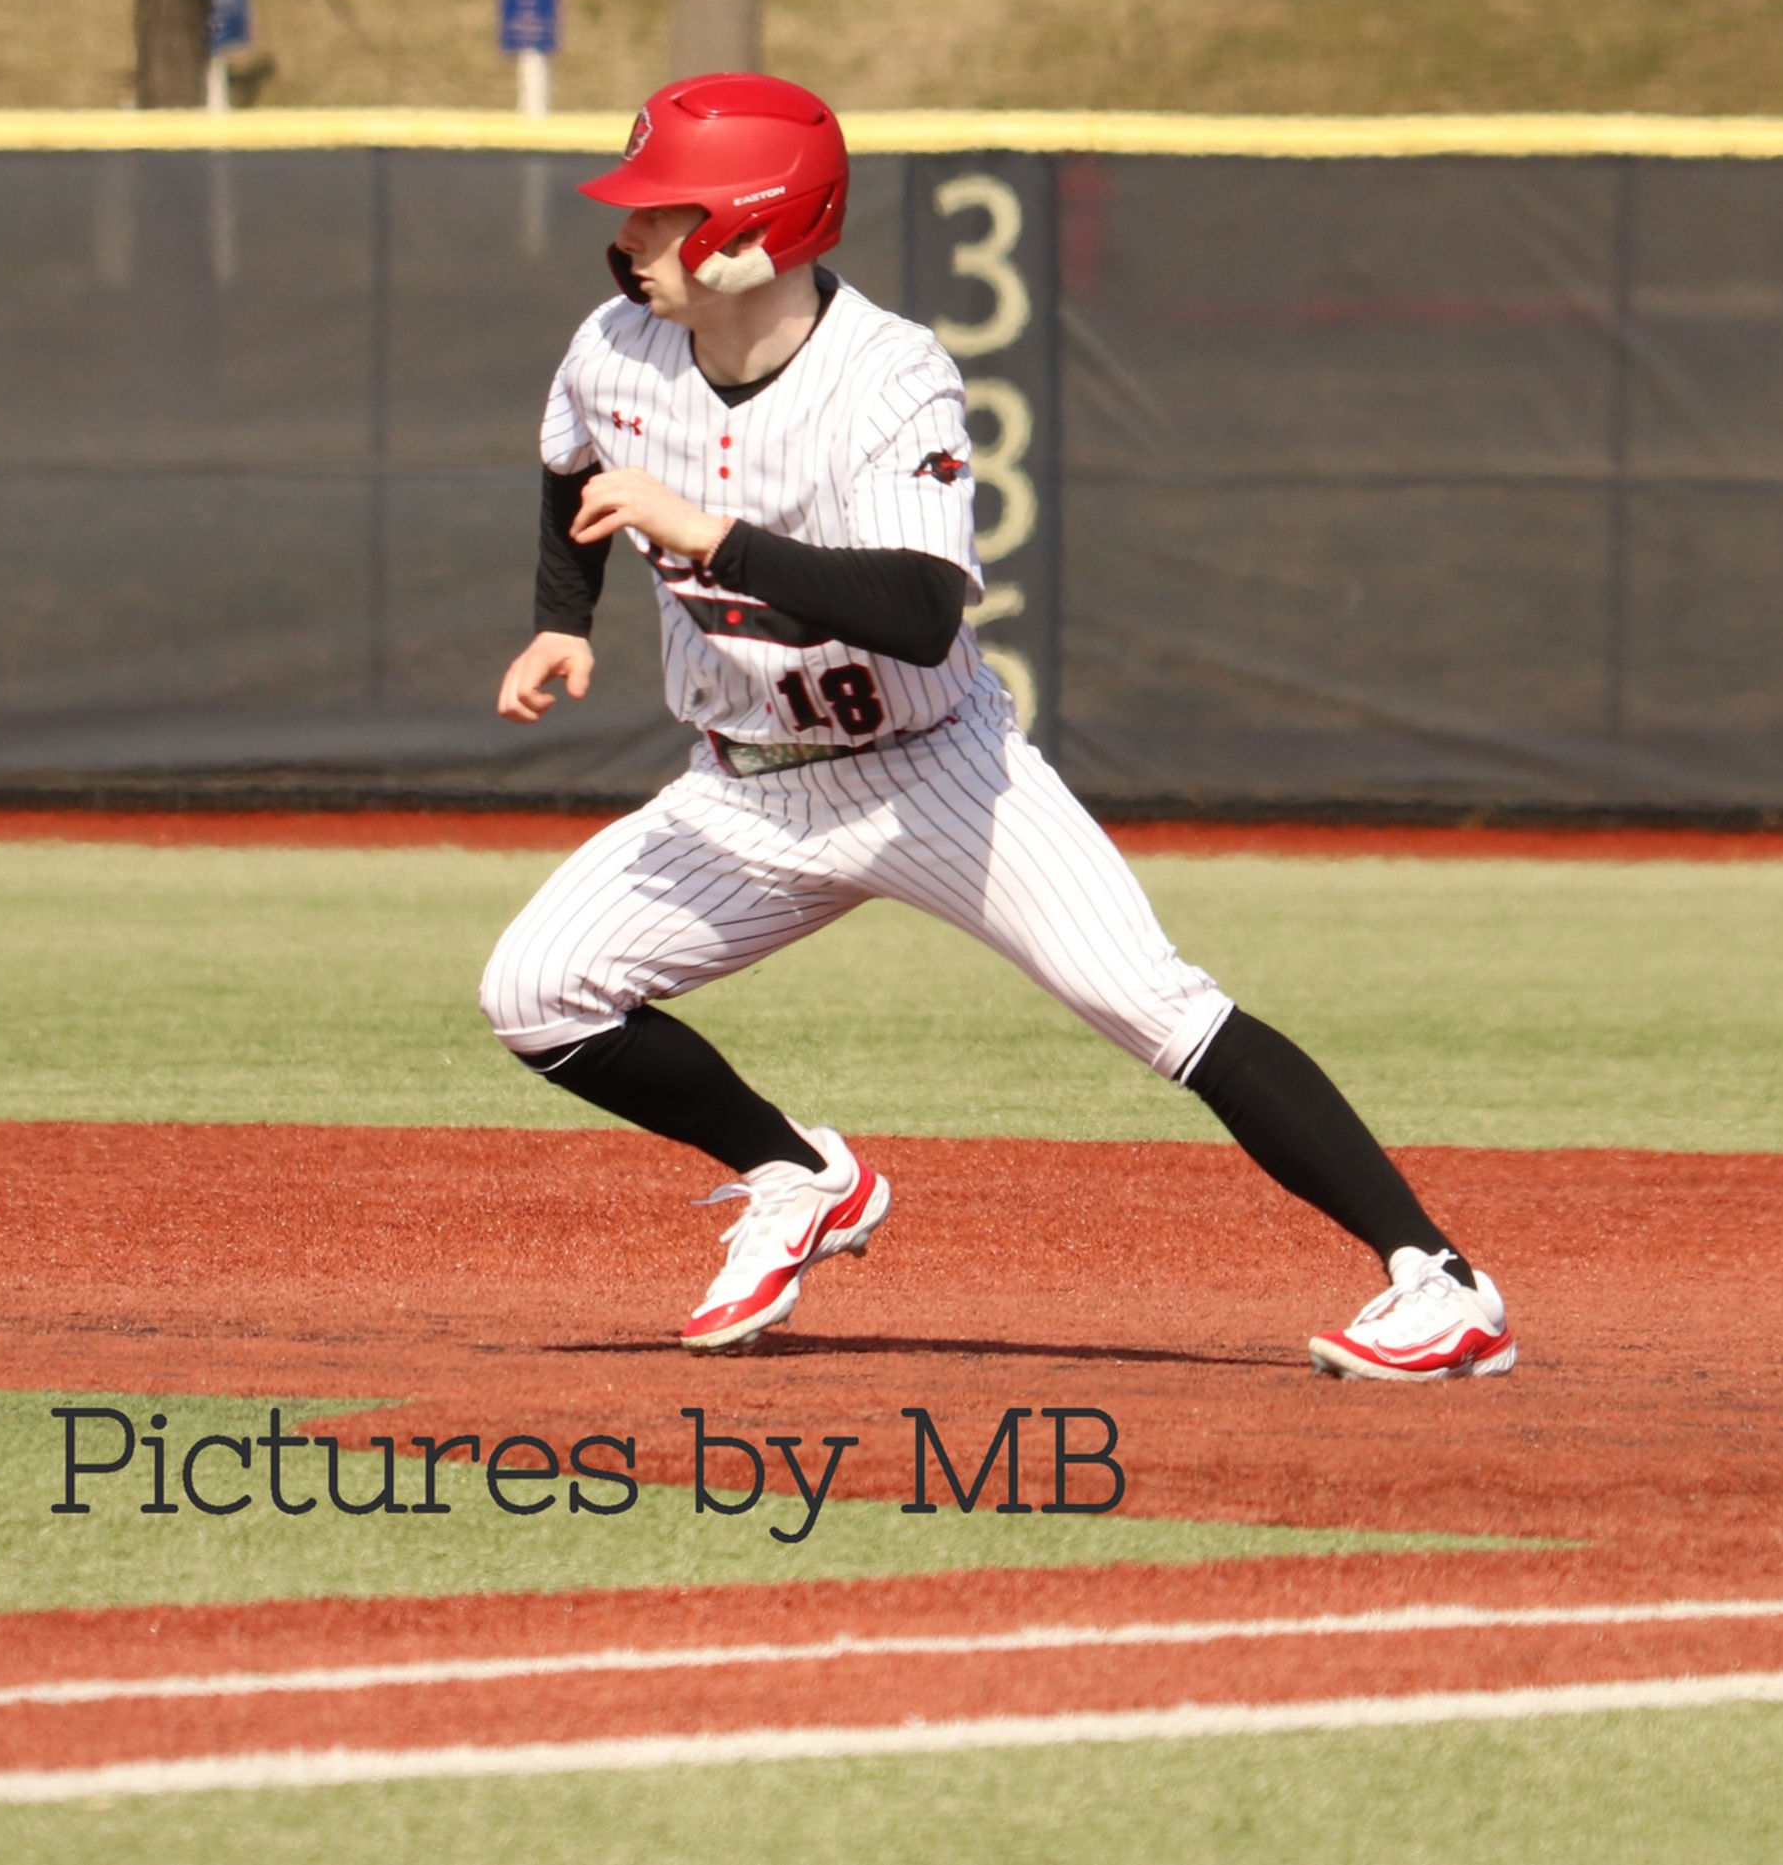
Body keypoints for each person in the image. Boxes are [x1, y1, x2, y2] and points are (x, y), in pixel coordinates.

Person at [478, 71, 1513, 1380]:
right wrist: (561, 619)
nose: (625, 238)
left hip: (935, 775)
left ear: (755, 232)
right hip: (740, 790)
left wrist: (711, 535)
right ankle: (800, 1175)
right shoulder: (612, 349)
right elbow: (575, 462)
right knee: (534, 990)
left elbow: (918, 610)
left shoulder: (890, 373)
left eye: (658, 214)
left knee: (1154, 1003)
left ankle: (1442, 1280)